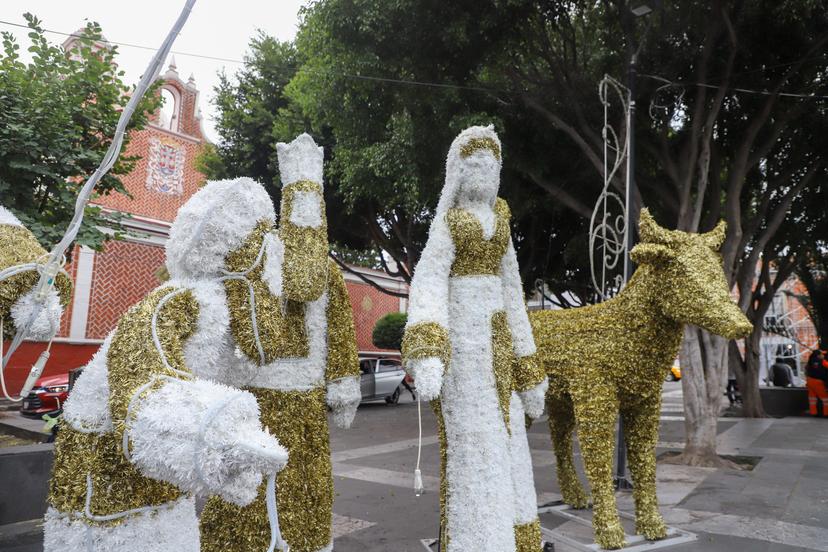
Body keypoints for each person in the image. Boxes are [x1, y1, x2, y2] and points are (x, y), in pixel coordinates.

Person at [401, 126, 548, 552]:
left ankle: (517, 536)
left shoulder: (501, 223)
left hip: (500, 347)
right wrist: (428, 347)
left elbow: (514, 293)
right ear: (458, 172)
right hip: (465, 351)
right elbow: (428, 279)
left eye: (491, 164)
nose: (484, 171)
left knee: (512, 445)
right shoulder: (449, 224)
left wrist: (529, 366)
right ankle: (478, 540)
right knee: (476, 446)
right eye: (475, 163)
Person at [806, 349, 828, 416]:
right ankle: (826, 413)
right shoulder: (823, 362)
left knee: (812, 398)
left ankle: (813, 412)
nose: (823, 355)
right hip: (818, 382)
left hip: (809, 381)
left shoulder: (810, 361)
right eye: (822, 354)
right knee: (825, 399)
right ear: (818, 355)